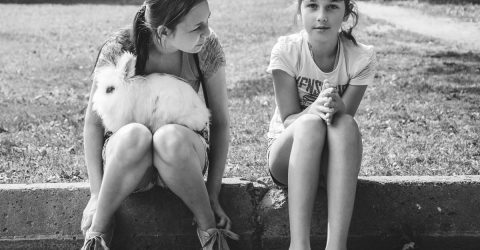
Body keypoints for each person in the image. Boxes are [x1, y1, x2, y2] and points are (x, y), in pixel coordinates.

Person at [81, 0, 238, 249]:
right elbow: (93, 124)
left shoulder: (206, 46)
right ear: (164, 32)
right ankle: (99, 230)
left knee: (169, 138)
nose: (207, 32)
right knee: (135, 135)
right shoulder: (120, 48)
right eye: (197, 26)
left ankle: (209, 229)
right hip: (129, 161)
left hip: (181, 158)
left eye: (208, 21)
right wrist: (95, 194)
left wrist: (213, 191)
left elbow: (220, 122)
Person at [265, 0, 377, 249]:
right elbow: (289, 119)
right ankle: (299, 244)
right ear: (300, 10)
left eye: (332, 7)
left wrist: (337, 107)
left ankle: (337, 246)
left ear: (346, 12)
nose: (322, 16)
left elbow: (344, 118)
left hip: (331, 161)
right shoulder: (286, 51)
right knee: (309, 125)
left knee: (346, 124)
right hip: (288, 155)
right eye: (313, 6)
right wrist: (313, 110)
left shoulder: (360, 57)